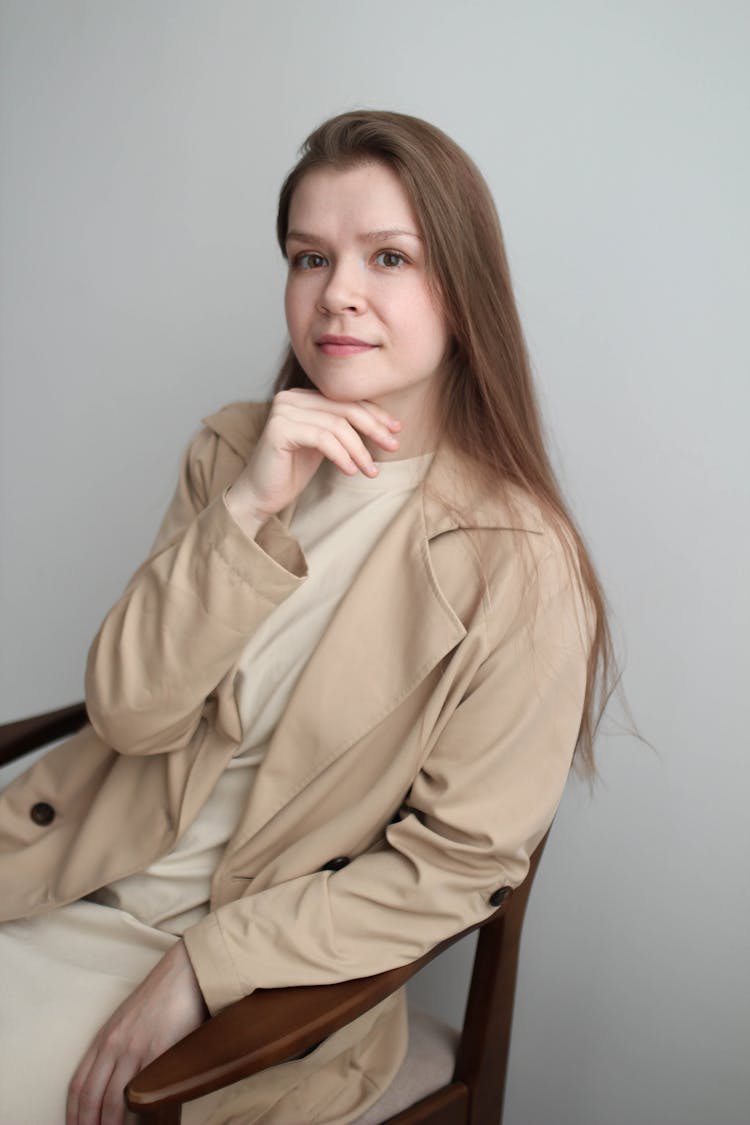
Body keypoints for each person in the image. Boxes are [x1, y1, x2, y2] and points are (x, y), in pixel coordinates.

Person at [0, 110, 615, 1124]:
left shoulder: (521, 563)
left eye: (389, 257)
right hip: (65, 874)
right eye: (310, 257)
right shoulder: (229, 450)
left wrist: (207, 964)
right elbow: (130, 716)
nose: (339, 294)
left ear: (463, 291)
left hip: (247, 979)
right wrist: (249, 508)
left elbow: (456, 865)